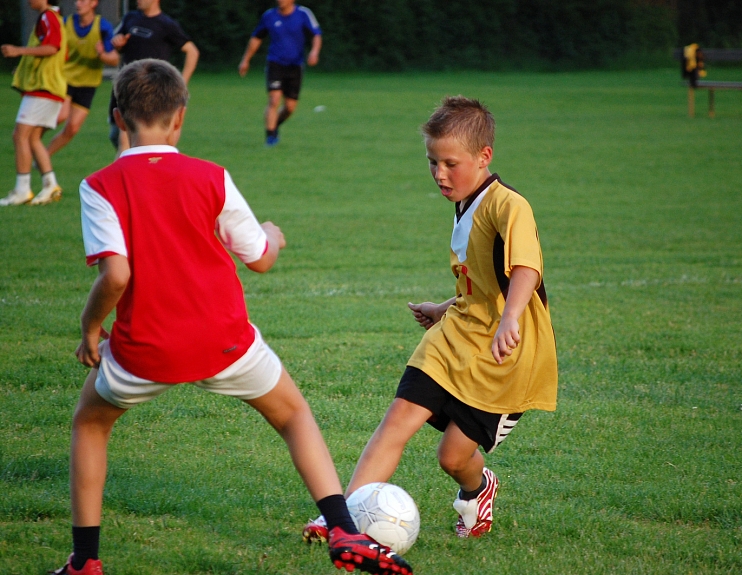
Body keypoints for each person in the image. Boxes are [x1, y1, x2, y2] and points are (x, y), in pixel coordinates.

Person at [51, 60, 412, 575]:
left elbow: (115, 275)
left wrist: (90, 330)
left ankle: (85, 562)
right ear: (180, 118)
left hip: (144, 348)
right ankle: (342, 529)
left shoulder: (99, 185)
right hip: (225, 340)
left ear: (117, 117)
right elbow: (261, 258)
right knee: (293, 416)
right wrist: (273, 232)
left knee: (91, 424)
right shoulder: (211, 177)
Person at [304, 96, 558, 543]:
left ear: (484, 158)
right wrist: (444, 309)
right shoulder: (465, 200)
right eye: (432, 162)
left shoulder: (508, 205)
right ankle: (341, 521)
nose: (440, 173)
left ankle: (478, 489)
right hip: (455, 335)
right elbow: (480, 281)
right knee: (397, 420)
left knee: (453, 458)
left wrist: (510, 318)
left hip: (506, 356)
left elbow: (525, 269)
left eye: (450, 163)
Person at [108, 0, 198, 153]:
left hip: (150, 90)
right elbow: (116, 45)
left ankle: (126, 174)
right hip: (126, 87)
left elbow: (192, 51)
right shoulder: (130, 18)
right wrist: (118, 44)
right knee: (115, 135)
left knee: (126, 140)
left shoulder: (166, 24)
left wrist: (181, 83)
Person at [1, 0, 66, 206]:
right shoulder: (52, 17)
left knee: (20, 135)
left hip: (44, 88)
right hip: (49, 88)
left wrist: (19, 51)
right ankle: (50, 184)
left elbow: (52, 47)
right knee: (33, 138)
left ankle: (22, 190)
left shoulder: (48, 17)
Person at [238, 0, 321, 147]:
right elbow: (257, 37)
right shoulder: (269, 16)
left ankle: (274, 124)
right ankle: (270, 137)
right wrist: (246, 59)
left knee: (290, 107)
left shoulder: (303, 14)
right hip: (275, 63)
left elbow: (316, 34)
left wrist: (314, 52)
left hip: (295, 66)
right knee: (274, 99)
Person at [46, 0, 119, 157]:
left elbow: (114, 59)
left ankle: (42, 156)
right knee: (61, 116)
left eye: (83, 0)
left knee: (72, 128)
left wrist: (101, 54)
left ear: (93, 3)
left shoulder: (102, 27)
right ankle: (29, 138)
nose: (78, 4)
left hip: (88, 84)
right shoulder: (66, 23)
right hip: (65, 78)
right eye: (77, 0)